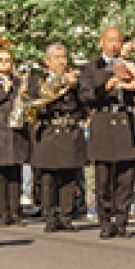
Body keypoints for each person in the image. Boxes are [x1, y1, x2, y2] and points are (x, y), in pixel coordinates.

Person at [80, 27, 135, 239]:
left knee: (126, 177)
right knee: (104, 178)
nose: (115, 45)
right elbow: (86, 96)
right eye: (110, 41)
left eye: (118, 41)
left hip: (125, 121)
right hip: (103, 121)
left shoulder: (128, 66)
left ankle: (122, 220)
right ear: (102, 42)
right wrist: (106, 86)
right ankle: (105, 221)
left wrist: (132, 80)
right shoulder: (91, 67)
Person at [28, 43, 85, 232]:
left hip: (68, 130)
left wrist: (75, 87)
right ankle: (50, 215)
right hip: (49, 130)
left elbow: (83, 104)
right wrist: (60, 82)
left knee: (69, 176)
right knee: (48, 177)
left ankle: (66, 215)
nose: (62, 61)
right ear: (48, 61)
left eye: (64, 57)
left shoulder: (74, 80)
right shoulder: (38, 80)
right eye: (57, 58)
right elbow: (35, 99)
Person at [0, 44, 30, 226]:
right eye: (0, 60)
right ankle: (2, 212)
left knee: (15, 173)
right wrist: (3, 91)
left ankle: (15, 212)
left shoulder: (19, 82)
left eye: (7, 60)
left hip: (15, 131)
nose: (4, 64)